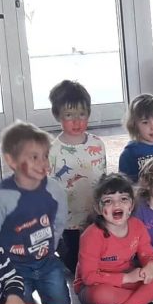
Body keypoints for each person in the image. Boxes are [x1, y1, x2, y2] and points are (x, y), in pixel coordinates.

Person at [0, 121, 70, 304]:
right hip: (14, 267)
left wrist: (50, 246)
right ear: (11, 161)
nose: (43, 163)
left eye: (45, 156)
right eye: (34, 157)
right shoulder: (2, 196)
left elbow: (60, 221)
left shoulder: (54, 189)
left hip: (46, 261)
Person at [76, 173, 153, 304]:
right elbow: (88, 277)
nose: (117, 204)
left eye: (123, 199)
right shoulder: (91, 236)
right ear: (98, 208)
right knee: (100, 295)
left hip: (127, 277)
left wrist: (151, 265)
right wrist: (127, 278)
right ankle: (149, 296)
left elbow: (148, 254)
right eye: (108, 201)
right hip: (95, 285)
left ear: (131, 205)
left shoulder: (137, 225)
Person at [48, 80, 106, 275]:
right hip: (68, 220)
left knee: (97, 258)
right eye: (69, 115)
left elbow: (103, 178)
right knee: (75, 263)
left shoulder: (97, 144)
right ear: (58, 115)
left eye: (81, 114)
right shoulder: (53, 150)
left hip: (95, 215)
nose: (76, 121)